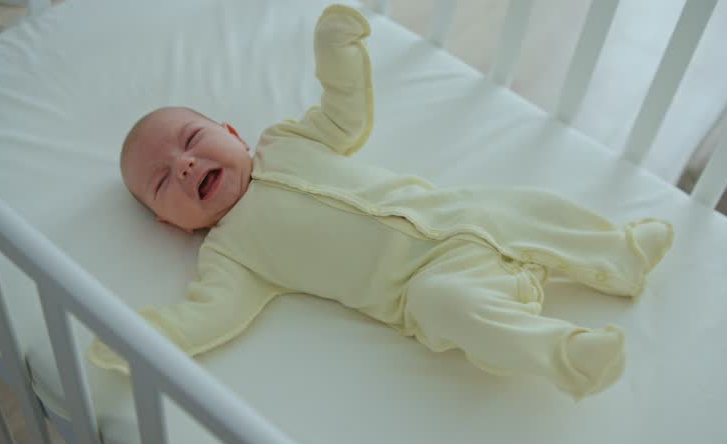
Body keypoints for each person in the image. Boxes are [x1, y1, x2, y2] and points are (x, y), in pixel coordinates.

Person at [88, 4, 673, 400]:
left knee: (527, 207)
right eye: (162, 181)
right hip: (422, 284)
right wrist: (137, 340)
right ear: (170, 223)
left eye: (192, 139)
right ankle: (568, 355)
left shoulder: (285, 142)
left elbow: (344, 115)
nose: (185, 164)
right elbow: (208, 315)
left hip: (457, 214)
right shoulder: (230, 254)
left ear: (232, 132)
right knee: (449, 308)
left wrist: (335, 51)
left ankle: (620, 254)